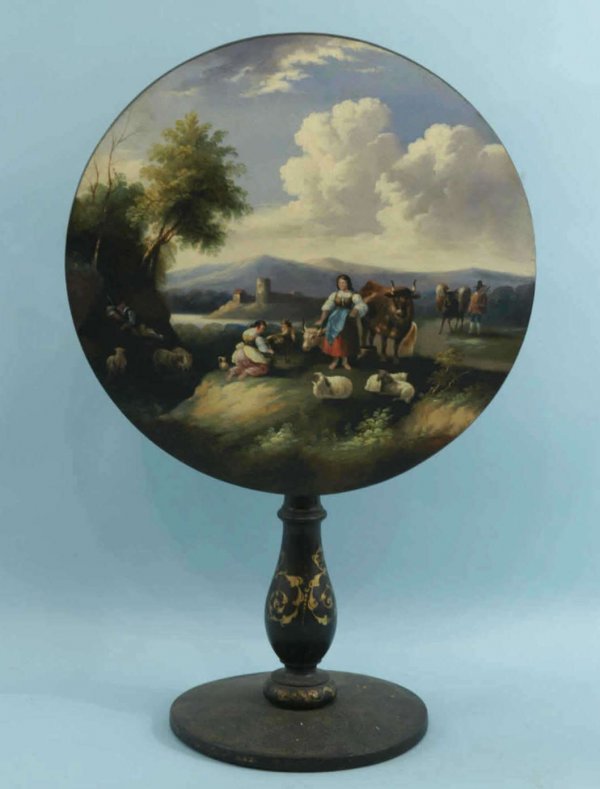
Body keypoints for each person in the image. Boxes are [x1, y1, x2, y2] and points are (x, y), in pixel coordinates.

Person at [316, 274, 368, 370]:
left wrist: (355, 310)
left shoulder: (354, 295)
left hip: (347, 319)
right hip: (335, 318)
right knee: (335, 340)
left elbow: (361, 305)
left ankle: (345, 361)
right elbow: (327, 307)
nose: (341, 284)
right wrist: (322, 319)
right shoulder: (334, 295)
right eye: (340, 283)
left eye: (343, 282)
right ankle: (335, 361)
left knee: (345, 341)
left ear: (348, 283)